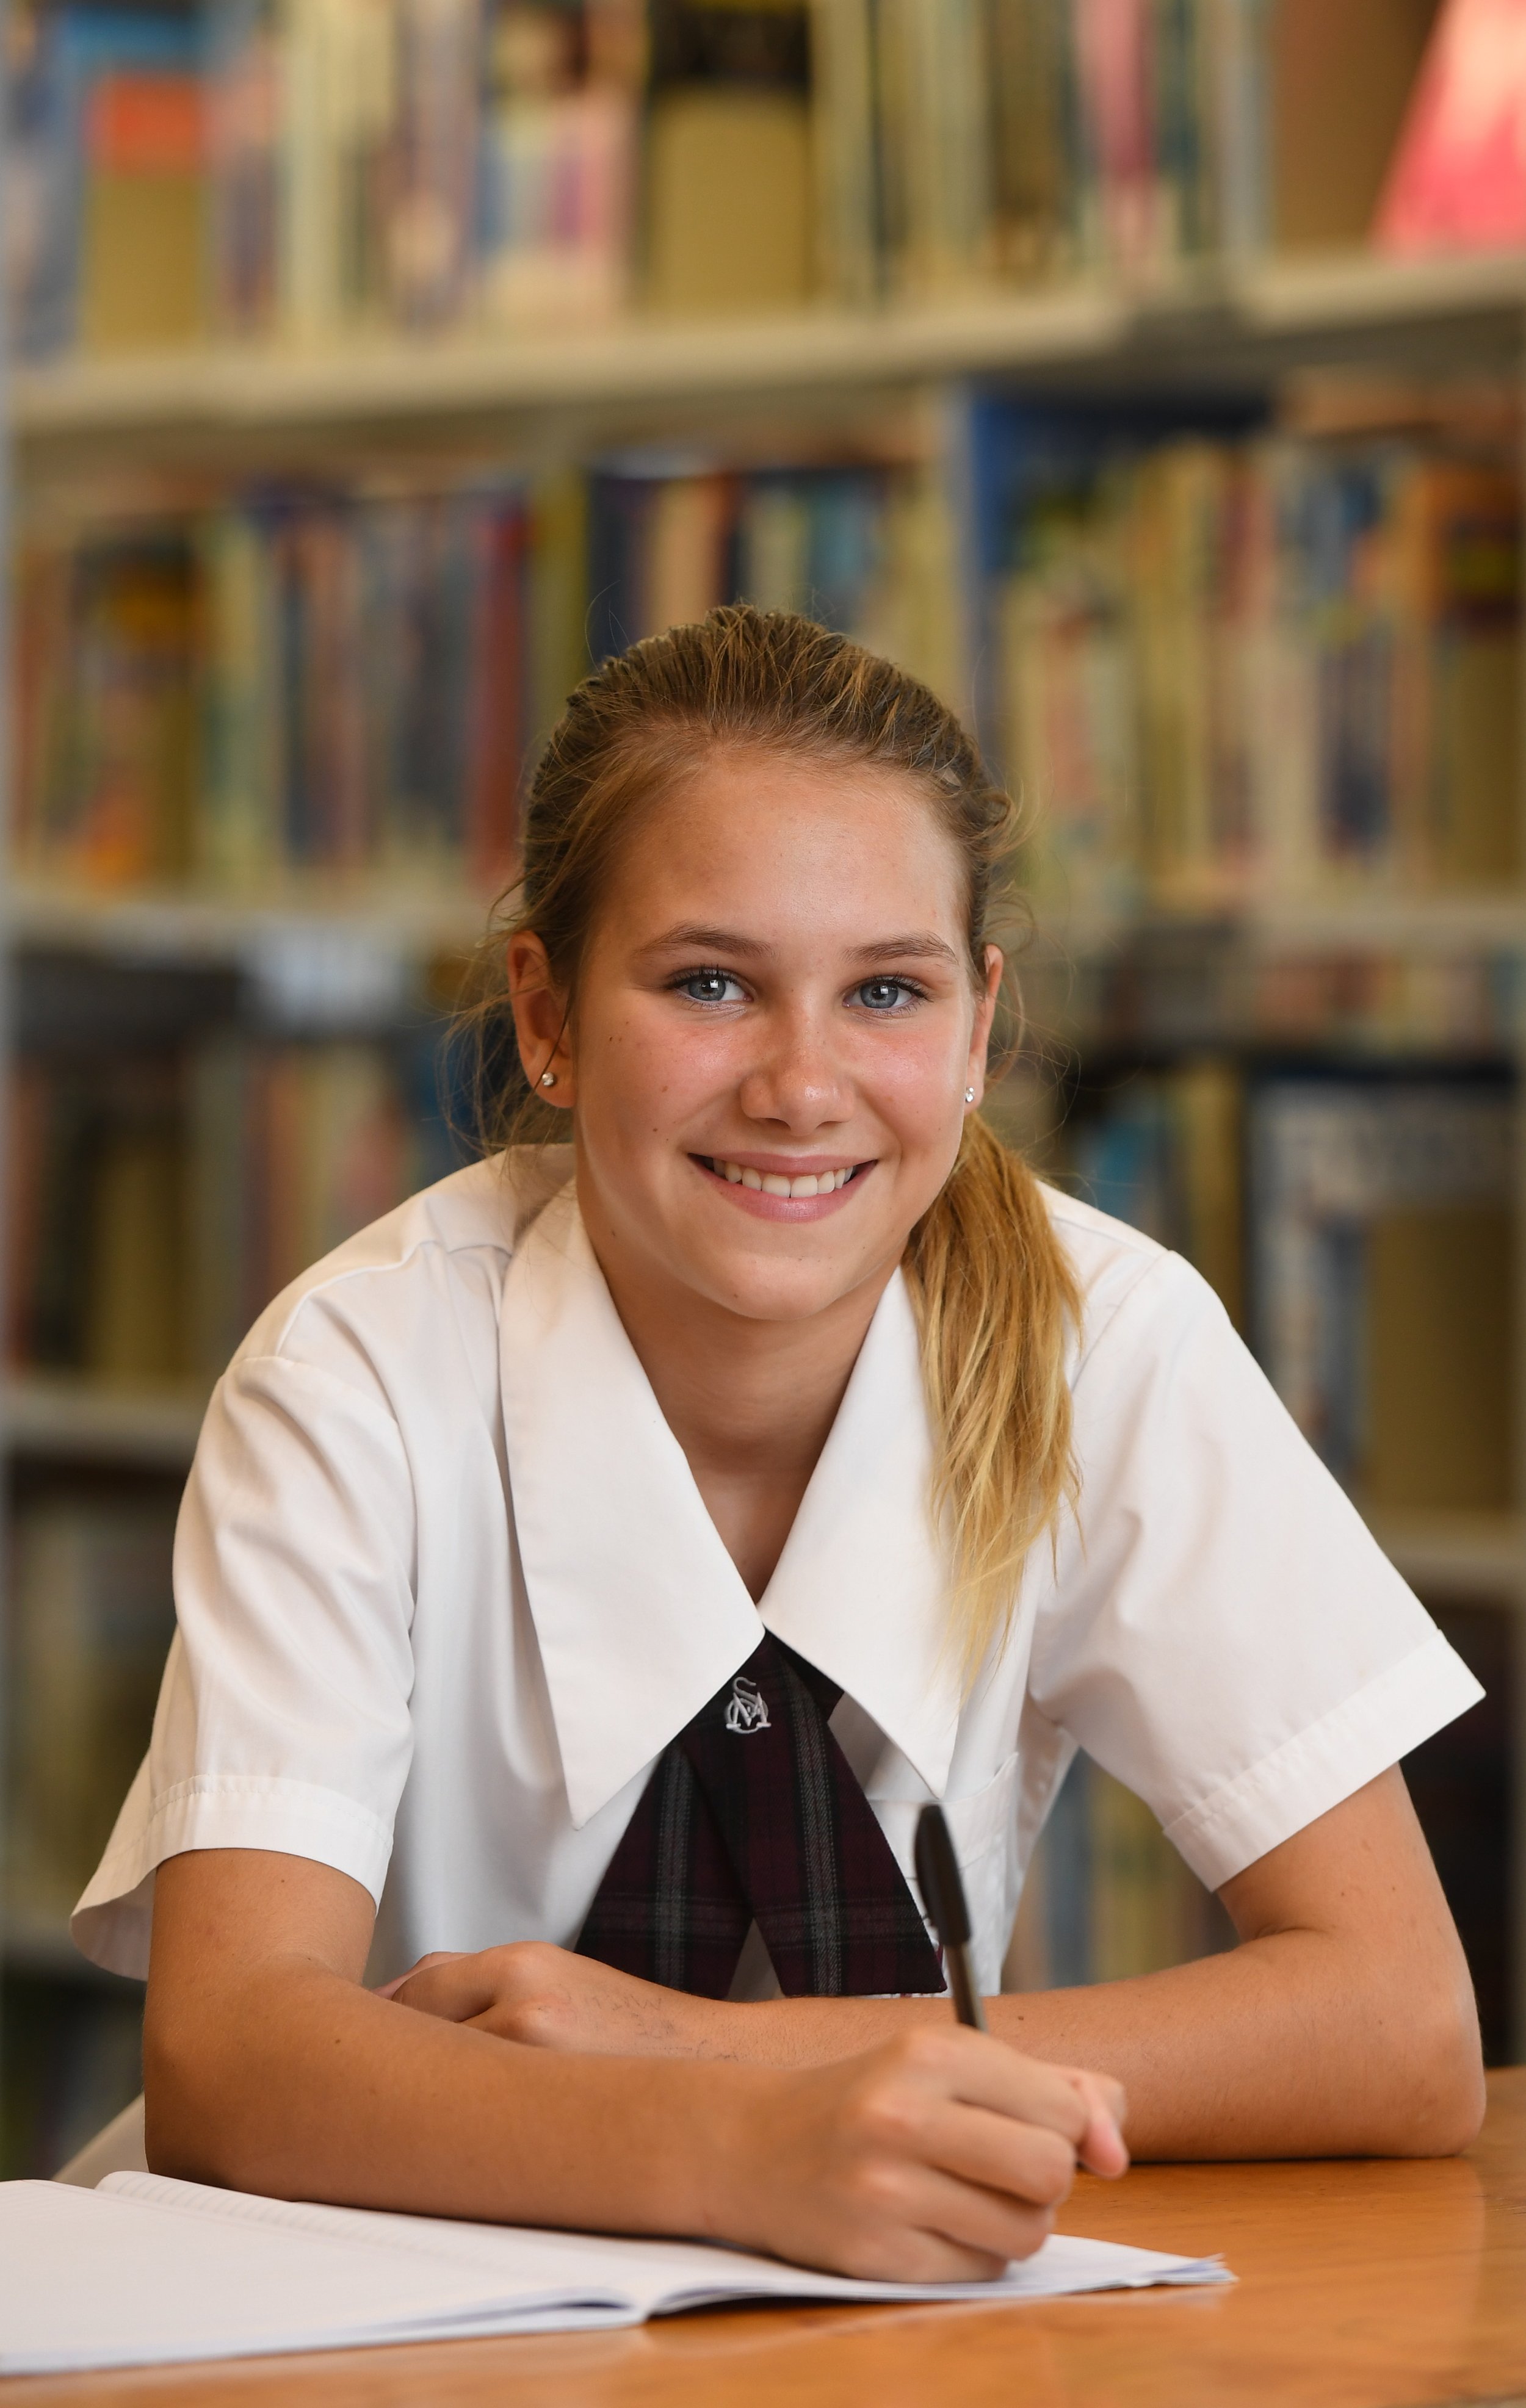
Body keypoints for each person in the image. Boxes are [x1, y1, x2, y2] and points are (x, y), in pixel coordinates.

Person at [75, 607, 1485, 2280]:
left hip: (859, 2309)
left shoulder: (1104, 1341)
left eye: (886, 987)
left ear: (975, 1032)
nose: (802, 1084)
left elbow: (1403, 2019)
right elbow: (232, 2057)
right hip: (313, 2308)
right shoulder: (357, 1373)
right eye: (710, 983)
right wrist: (740, 2148)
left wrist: (711, 2051)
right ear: (546, 1009)